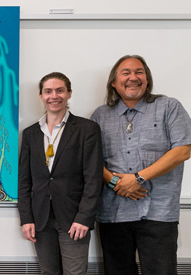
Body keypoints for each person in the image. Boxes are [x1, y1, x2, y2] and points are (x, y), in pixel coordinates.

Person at [91, 55, 191, 275]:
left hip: (159, 212)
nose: (133, 77)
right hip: (113, 213)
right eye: (125, 73)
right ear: (113, 82)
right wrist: (117, 182)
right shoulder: (100, 115)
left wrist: (137, 178)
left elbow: (183, 150)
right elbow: (92, 161)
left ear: (147, 79)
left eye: (139, 72)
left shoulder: (169, 107)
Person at [18, 72, 103, 275]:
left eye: (59, 90)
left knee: (74, 273)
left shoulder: (87, 129)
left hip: (74, 219)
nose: (53, 96)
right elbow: (24, 180)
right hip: (40, 219)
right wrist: (26, 218)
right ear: (41, 96)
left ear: (69, 94)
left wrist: (84, 218)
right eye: (48, 91)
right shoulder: (30, 134)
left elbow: (93, 178)